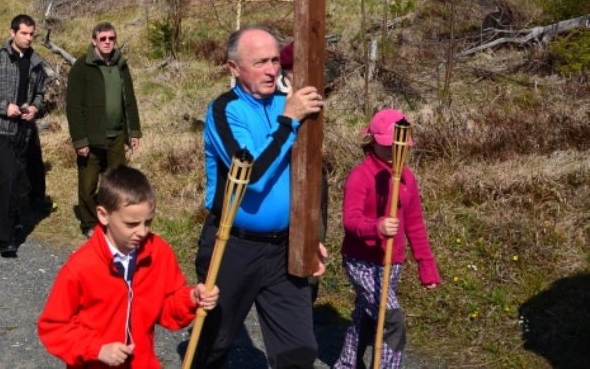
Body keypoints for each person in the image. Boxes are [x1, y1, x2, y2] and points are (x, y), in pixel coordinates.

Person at [188, 26, 326, 369]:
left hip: (284, 251)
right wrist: (288, 122)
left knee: (298, 351)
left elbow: (312, 176)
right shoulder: (225, 110)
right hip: (231, 246)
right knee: (213, 345)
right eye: (260, 62)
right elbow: (249, 175)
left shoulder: (287, 105)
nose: (271, 70)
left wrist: (311, 236)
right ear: (234, 68)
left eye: (276, 60)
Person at [38, 166, 219, 369]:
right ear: (103, 215)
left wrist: (192, 298)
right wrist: (97, 349)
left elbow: (166, 309)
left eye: (148, 222)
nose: (142, 232)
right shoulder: (80, 267)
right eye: (131, 224)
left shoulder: (158, 253)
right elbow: (54, 326)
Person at [335, 110, 440, 369]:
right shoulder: (361, 176)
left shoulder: (407, 179)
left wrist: (426, 266)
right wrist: (377, 227)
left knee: (366, 318)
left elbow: (415, 225)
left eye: (399, 145)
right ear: (372, 141)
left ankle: (346, 365)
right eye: (388, 145)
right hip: (362, 262)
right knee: (392, 321)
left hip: (392, 263)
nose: (394, 151)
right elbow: (350, 221)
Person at [0, 14, 49, 257]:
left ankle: (6, 225)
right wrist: (3, 107)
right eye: (24, 33)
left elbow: (40, 92)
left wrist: (35, 107)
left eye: (31, 34)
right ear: (12, 33)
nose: (28, 38)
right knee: (4, 180)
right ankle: (4, 238)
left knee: (15, 180)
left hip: (23, 133)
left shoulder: (36, 62)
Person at [66, 22, 142, 236]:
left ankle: (115, 221)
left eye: (111, 38)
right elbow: (73, 107)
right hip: (91, 138)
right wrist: (80, 140)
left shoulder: (120, 65)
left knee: (118, 183)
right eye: (103, 39)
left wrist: (134, 132)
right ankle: (90, 224)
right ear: (94, 41)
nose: (108, 42)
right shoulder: (82, 67)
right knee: (88, 185)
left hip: (117, 135)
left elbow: (130, 101)